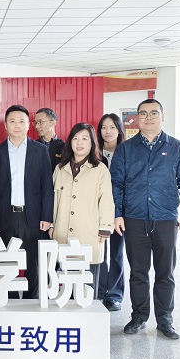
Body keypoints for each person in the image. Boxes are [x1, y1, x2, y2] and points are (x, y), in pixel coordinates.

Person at [111, 99, 180, 340]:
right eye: (143, 113)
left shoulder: (178, 148)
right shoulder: (125, 149)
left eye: (153, 113)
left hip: (165, 218)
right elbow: (116, 184)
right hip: (134, 217)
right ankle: (139, 315)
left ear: (163, 116)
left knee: (165, 272)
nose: (148, 117)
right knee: (138, 272)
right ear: (137, 118)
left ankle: (164, 319)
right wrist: (117, 213)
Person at [0, 105, 53, 299]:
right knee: (8, 260)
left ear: (28, 125)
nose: (17, 125)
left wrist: (47, 216)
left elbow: (46, 186)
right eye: (12, 121)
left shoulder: (40, 151)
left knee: (33, 261)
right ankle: (11, 301)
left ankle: (31, 300)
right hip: (5, 215)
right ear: (5, 125)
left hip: (32, 215)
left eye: (21, 121)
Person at [50, 122, 115, 298]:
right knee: (67, 281)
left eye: (85, 139)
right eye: (75, 138)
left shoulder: (100, 170)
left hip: (89, 233)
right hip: (63, 232)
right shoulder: (60, 169)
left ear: (92, 143)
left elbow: (106, 200)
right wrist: (52, 225)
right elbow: (53, 200)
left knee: (88, 287)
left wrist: (105, 228)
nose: (79, 143)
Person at [97, 113, 126, 311]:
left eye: (112, 127)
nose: (107, 131)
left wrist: (120, 212)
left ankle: (115, 295)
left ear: (119, 130)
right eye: (103, 127)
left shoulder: (127, 152)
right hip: (98, 212)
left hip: (120, 212)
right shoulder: (94, 153)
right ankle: (99, 292)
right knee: (99, 252)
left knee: (116, 253)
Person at [34, 107, 65, 172]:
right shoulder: (33, 146)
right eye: (35, 123)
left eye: (40, 122)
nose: (36, 126)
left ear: (53, 123)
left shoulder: (64, 147)